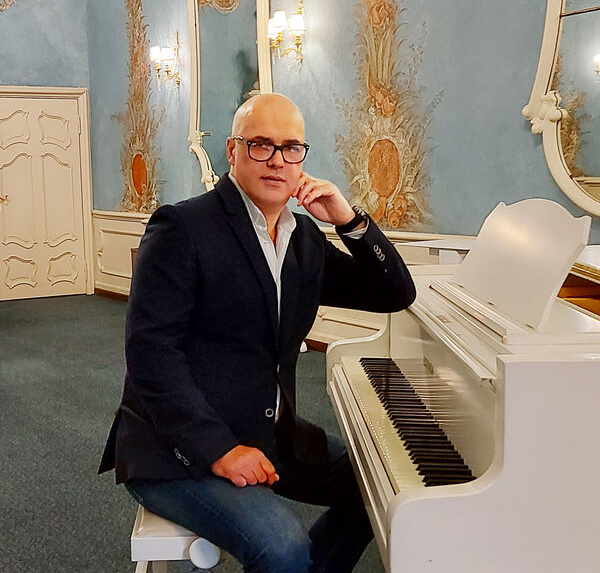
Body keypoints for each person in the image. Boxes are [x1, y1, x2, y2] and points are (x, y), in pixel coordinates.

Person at [99, 93, 416, 573]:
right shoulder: (182, 227)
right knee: (283, 548)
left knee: (377, 488)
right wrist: (219, 449)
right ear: (233, 151)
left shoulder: (304, 239)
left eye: (291, 148)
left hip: (269, 434)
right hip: (178, 447)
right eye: (261, 145)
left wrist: (349, 221)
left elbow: (395, 292)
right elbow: (151, 356)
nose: (277, 160)